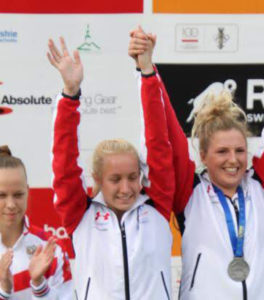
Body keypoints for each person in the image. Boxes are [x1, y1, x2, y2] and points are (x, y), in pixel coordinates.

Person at [126, 10, 264, 297]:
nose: (233, 159)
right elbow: (163, 135)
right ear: (203, 155)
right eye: (222, 151)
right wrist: (148, 71)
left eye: (240, 150)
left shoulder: (263, 186)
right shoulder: (190, 193)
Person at [48, 37, 175, 299]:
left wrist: (147, 72)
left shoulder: (157, 206)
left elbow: (158, 143)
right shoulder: (80, 217)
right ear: (97, 180)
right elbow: (64, 162)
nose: (126, 188)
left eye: (132, 177)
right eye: (115, 179)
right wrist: (70, 94)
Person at [0, 146, 73, 299]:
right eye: (2, 195)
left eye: (18, 195)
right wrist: (4, 291)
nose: (11, 204)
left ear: (27, 191)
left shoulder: (51, 249)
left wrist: (39, 285)